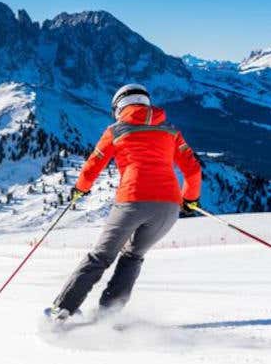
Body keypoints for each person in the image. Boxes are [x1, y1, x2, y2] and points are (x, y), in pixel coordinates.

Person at [47, 84, 202, 321]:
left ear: (119, 106)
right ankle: (109, 316)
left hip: (132, 199)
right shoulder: (171, 131)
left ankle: (62, 310)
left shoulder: (116, 130)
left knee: (100, 257)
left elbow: (93, 164)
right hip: (168, 207)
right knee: (133, 256)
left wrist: (80, 189)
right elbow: (192, 170)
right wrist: (190, 199)